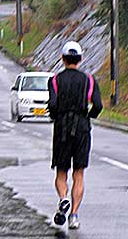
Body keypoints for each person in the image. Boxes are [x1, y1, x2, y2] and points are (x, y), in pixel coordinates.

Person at [47, 41, 103, 229]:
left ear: (62, 59)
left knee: (61, 171)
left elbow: (53, 105)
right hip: (81, 128)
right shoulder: (89, 80)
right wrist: (88, 117)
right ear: (80, 59)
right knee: (79, 173)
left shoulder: (55, 80)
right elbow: (98, 105)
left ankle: (63, 198)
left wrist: (57, 117)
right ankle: (74, 216)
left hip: (62, 128)